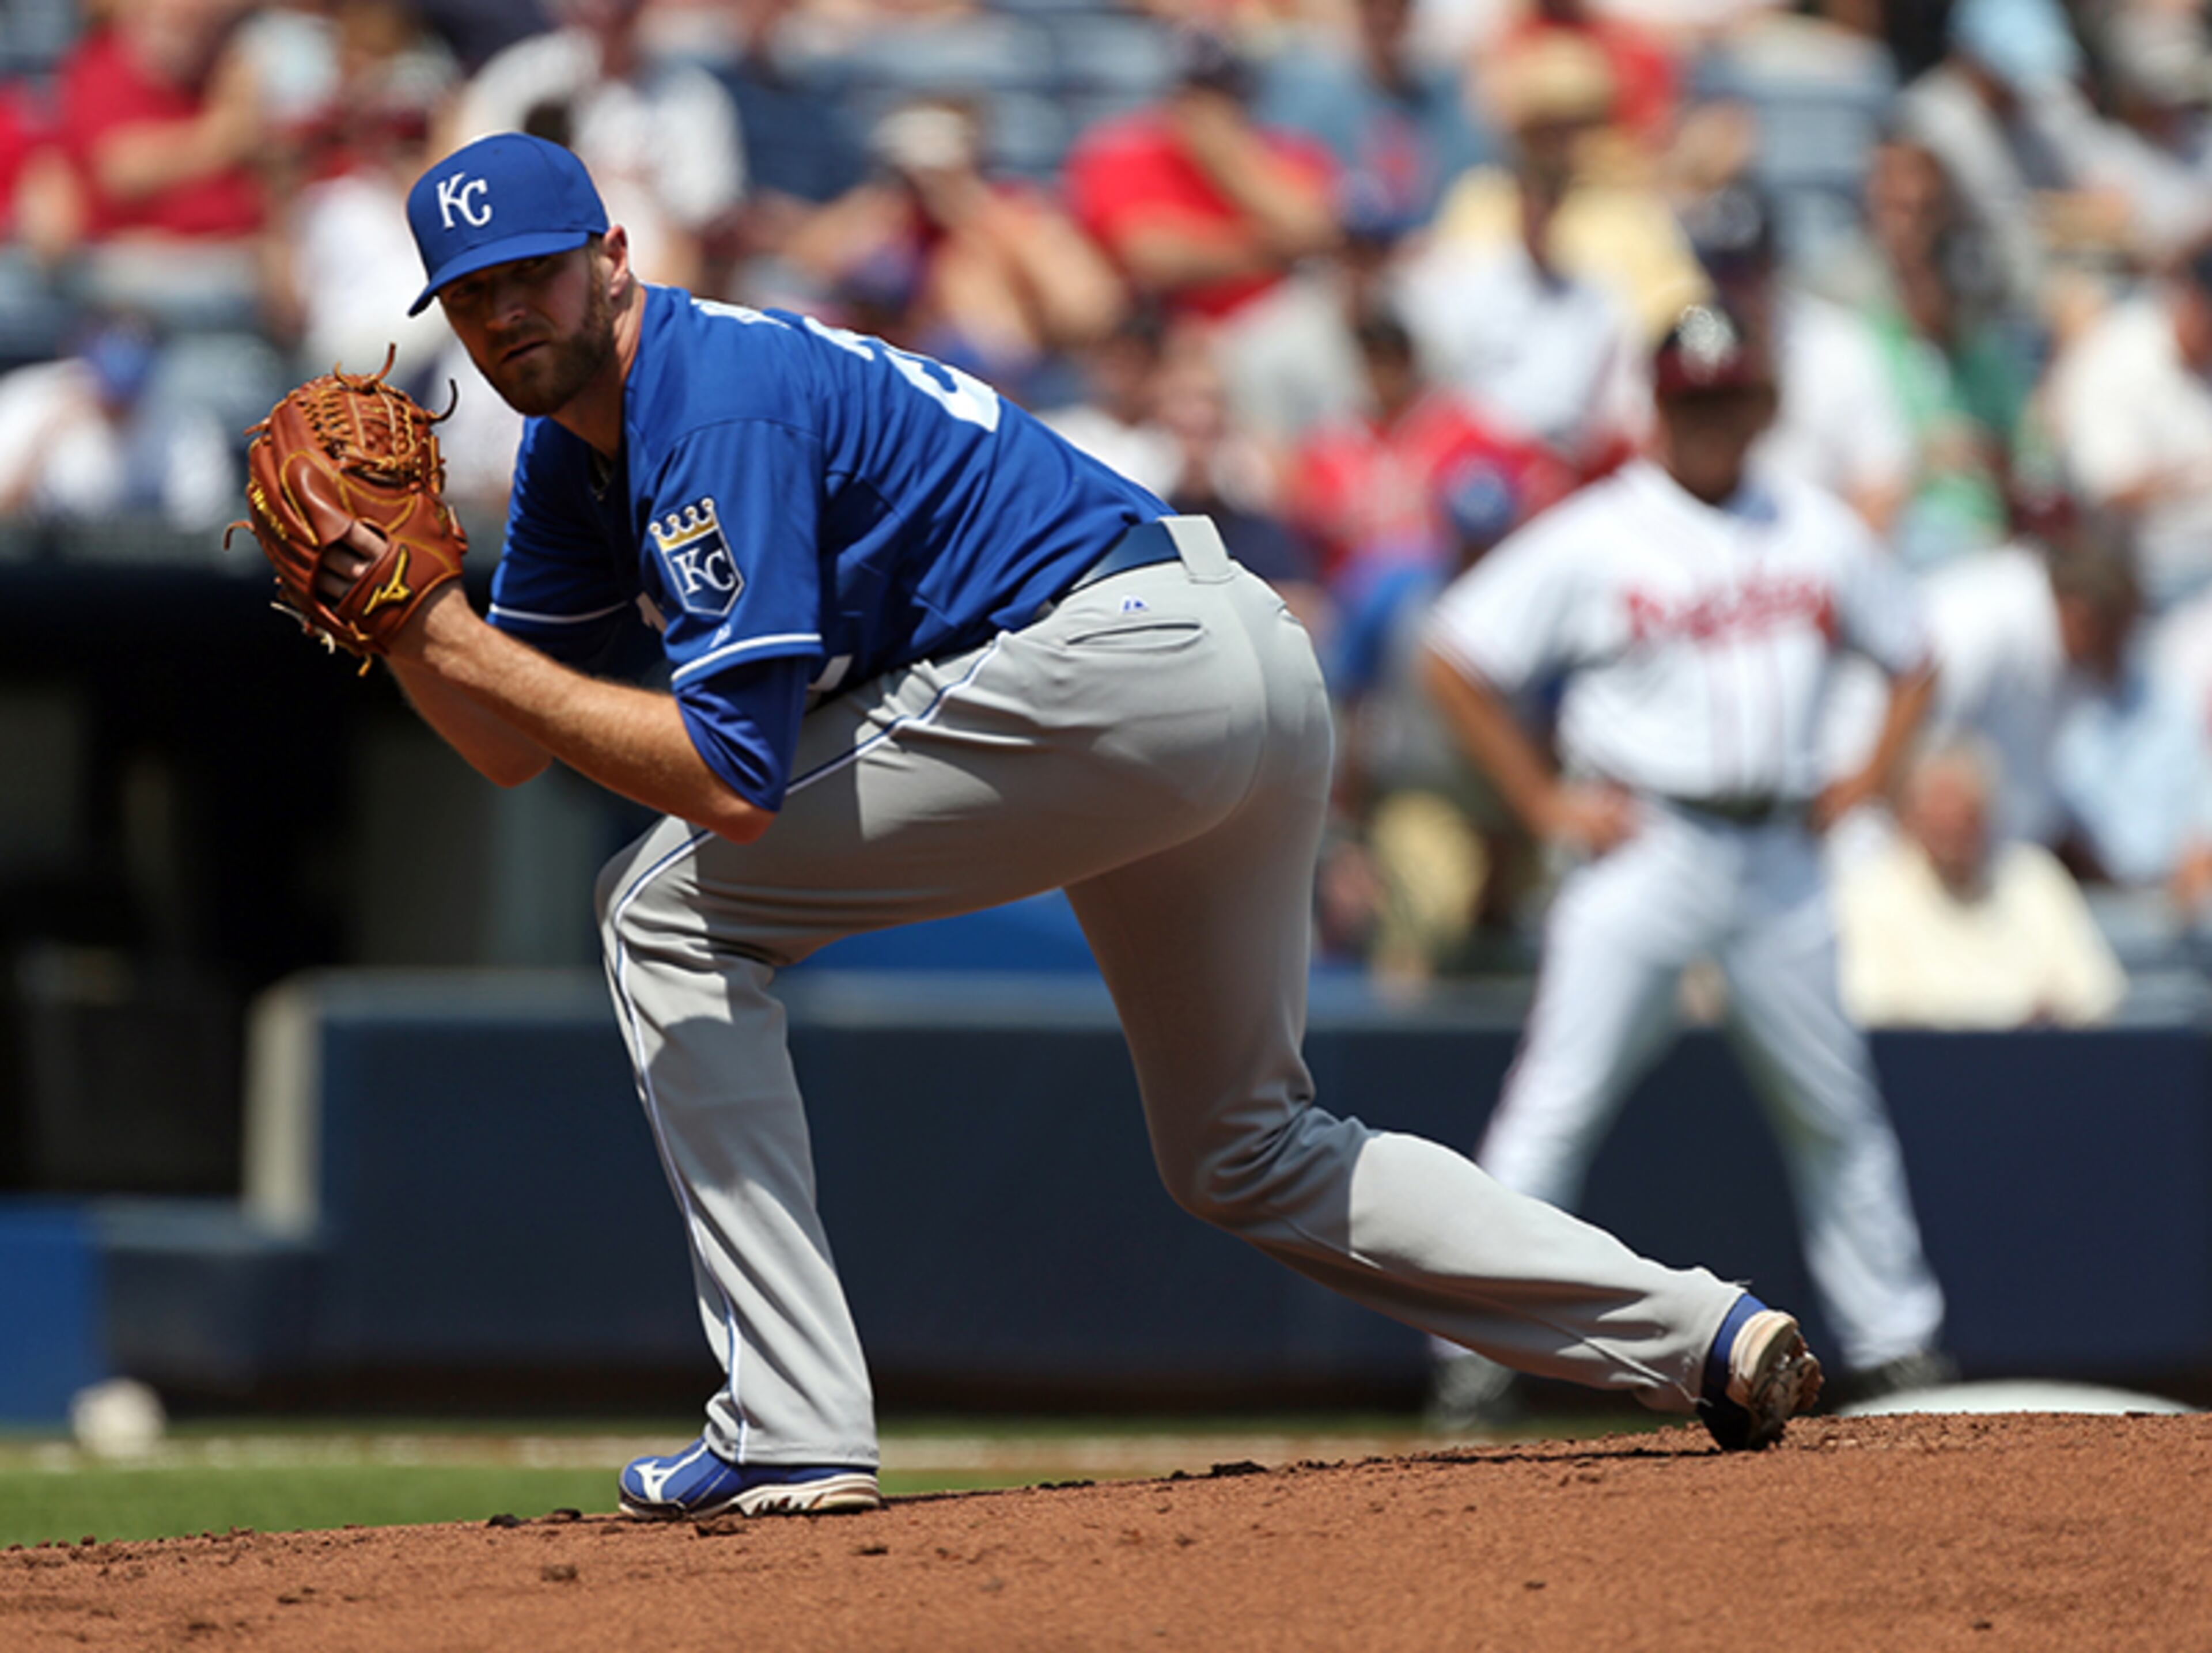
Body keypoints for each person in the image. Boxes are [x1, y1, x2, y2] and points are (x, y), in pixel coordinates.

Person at [333, 133, 1823, 1517]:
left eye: (529, 272)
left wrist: (451, 642)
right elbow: (511, 745)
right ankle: (1707, 1331)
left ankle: (789, 1416)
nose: (505, 313)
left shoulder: (706, 396)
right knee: (1245, 1147)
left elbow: (731, 776)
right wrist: (408, 627)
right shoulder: (569, 460)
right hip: (1218, 657)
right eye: (470, 298)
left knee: (661, 904)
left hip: (1112, 666)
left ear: (612, 253)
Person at [1419, 301, 1952, 1423]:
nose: (1710, 419)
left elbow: (1913, 656)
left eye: (1728, 397)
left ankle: (1901, 1347)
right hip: (1647, 845)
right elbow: (1458, 653)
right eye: (1690, 399)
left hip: (1778, 853)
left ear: (1761, 403)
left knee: (1836, 1110)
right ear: (1659, 407)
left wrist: (1864, 782)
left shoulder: (1811, 523)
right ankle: (1472, 1354)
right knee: (1554, 1107)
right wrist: (1541, 801)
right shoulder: (1602, 528)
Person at [1834, 738, 2126, 1029]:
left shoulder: (2033, 877)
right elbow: (1873, 1001)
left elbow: (2096, 990)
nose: (1954, 837)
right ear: (1912, 820)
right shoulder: (1874, 891)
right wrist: (2006, 1013)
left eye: (1967, 821)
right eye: (1940, 825)